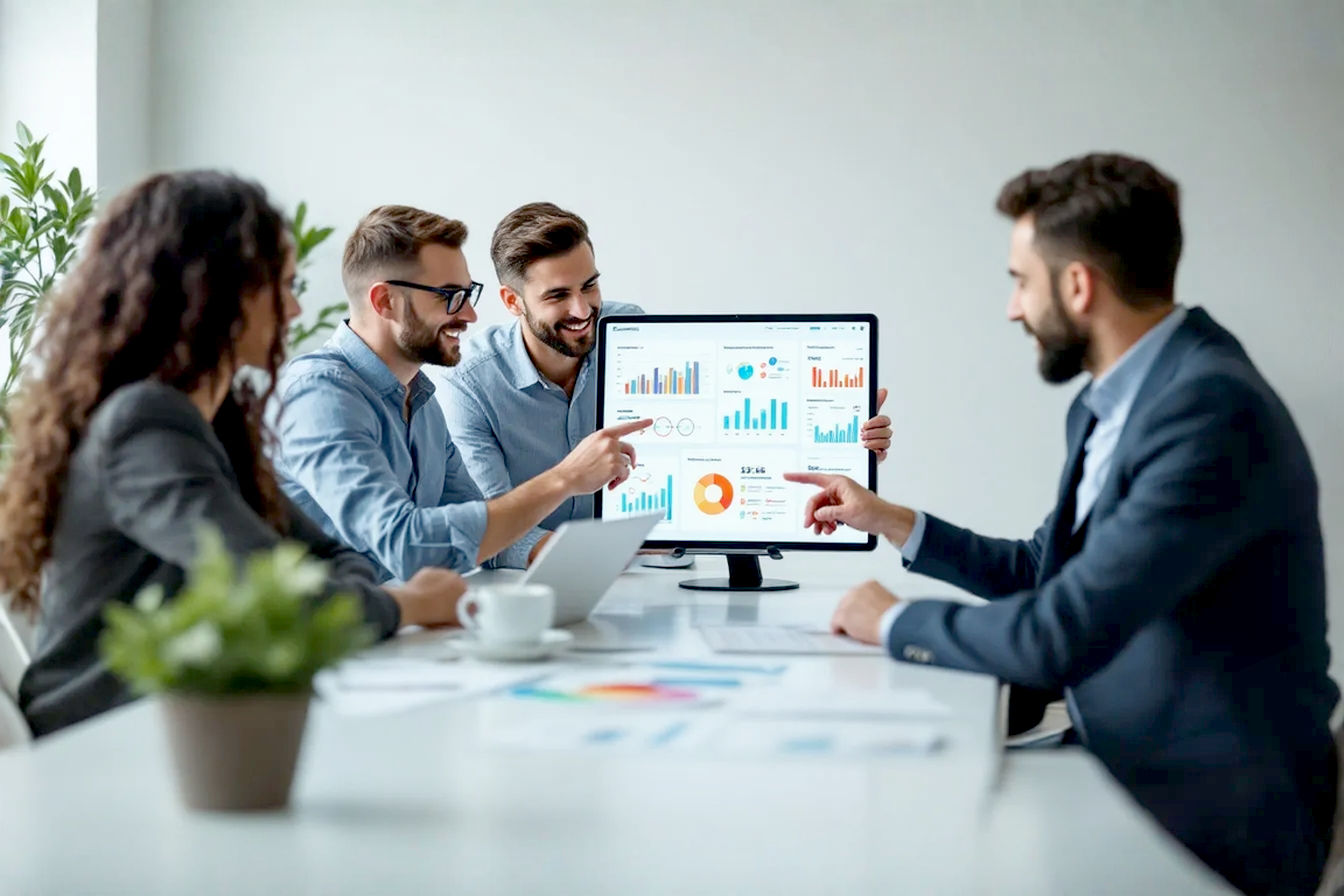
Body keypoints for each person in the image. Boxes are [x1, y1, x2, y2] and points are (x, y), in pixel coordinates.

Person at [786, 153, 1338, 895]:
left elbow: (1056, 634)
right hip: (1120, 752)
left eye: (1020, 281)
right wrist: (888, 519)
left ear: (1077, 286)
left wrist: (893, 622)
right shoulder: (1127, 397)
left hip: (1207, 810)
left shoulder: (1210, 413)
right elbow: (1043, 572)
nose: (1013, 309)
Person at [0, 172, 466, 737]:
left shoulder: (215, 423)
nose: (295, 311)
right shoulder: (142, 423)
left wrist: (361, 592)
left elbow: (333, 559)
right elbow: (269, 588)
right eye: (284, 285)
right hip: (98, 734)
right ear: (218, 292)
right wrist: (406, 605)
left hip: (193, 717)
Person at [438, 202, 893, 536]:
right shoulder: (470, 384)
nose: (583, 309)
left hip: (649, 569)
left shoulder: (632, 331)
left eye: (590, 285)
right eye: (558, 296)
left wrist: (838, 442)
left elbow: (722, 434)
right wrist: (583, 565)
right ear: (513, 302)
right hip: (530, 586)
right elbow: (489, 524)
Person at [273, 205, 647, 582]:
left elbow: (485, 529)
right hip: (327, 634)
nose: (469, 315)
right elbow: (405, 544)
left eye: (469, 295)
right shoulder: (318, 394)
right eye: (449, 296)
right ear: (385, 302)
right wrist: (565, 478)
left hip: (398, 625)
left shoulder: (422, 402)